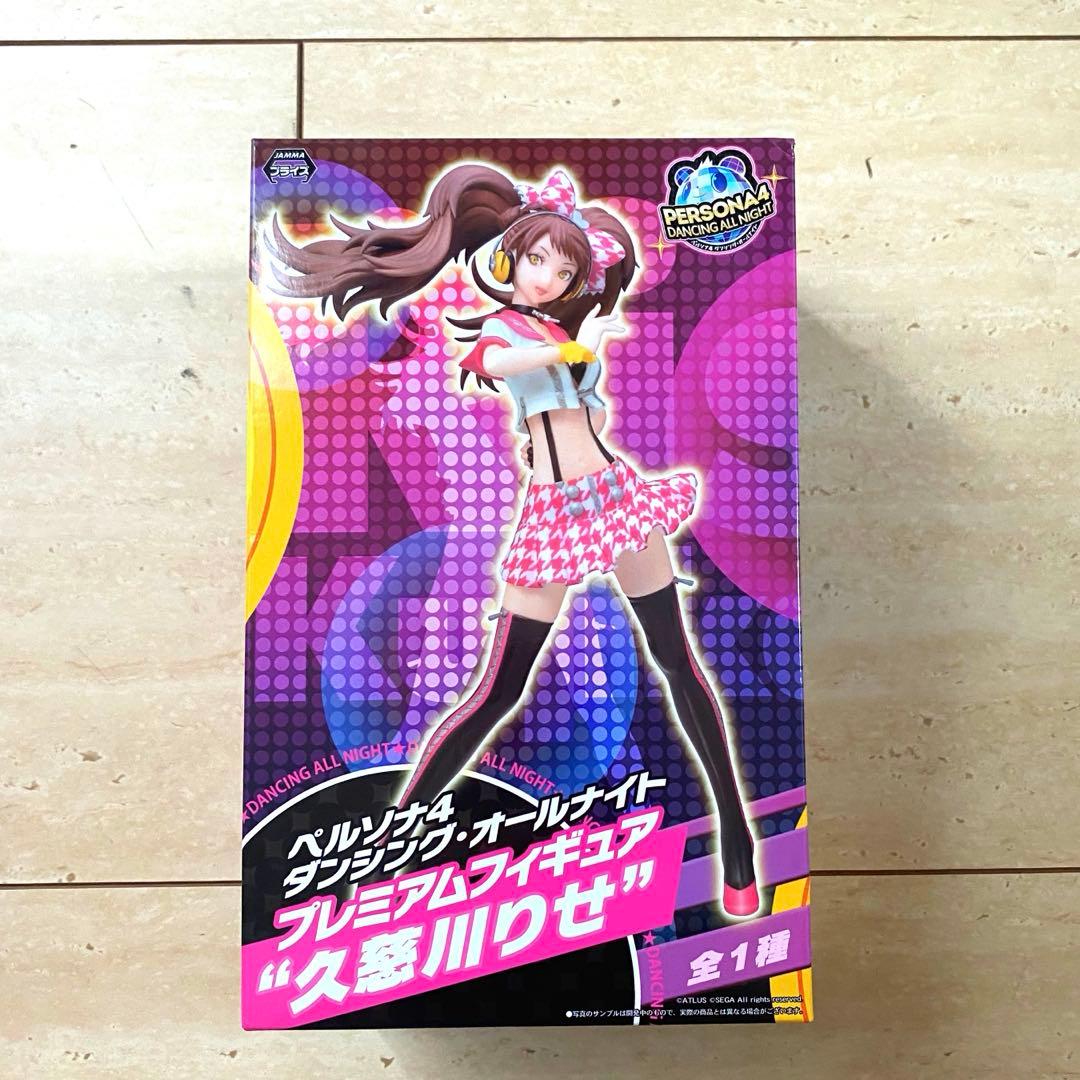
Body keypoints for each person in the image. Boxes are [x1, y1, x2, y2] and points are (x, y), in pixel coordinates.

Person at [267, 164, 760, 917]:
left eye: (564, 271)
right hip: (556, 516)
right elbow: (496, 363)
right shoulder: (508, 328)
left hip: (616, 498)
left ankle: (739, 844)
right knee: (497, 689)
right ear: (511, 257)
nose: (547, 278)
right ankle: (387, 850)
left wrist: (569, 370)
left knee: (677, 662)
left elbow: (573, 412)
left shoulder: (562, 330)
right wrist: (559, 358)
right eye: (538, 261)